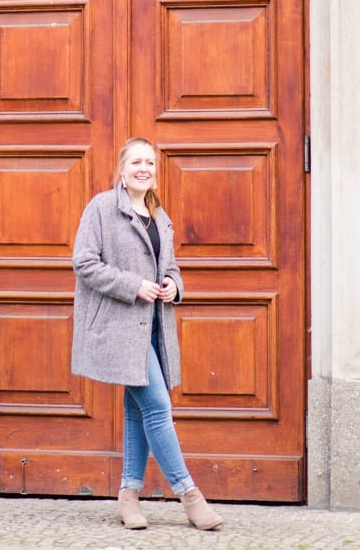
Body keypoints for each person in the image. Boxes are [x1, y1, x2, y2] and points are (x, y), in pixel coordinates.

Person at [70, 137, 222, 532]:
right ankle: (189, 495)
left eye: (150, 163)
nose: (144, 168)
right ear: (121, 169)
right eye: (136, 162)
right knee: (157, 405)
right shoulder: (102, 208)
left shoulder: (159, 213)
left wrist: (174, 285)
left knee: (138, 411)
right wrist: (132, 285)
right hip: (119, 328)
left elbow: (170, 267)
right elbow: (84, 263)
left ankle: (129, 496)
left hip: (153, 327)